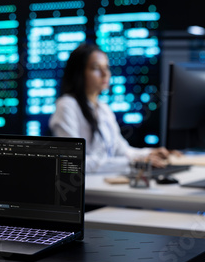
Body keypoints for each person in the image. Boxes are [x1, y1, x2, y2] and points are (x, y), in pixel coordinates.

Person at [49, 43, 174, 173]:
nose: (105, 74)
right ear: (79, 73)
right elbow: (73, 161)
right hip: (85, 187)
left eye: (106, 67)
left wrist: (149, 153)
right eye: (96, 68)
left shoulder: (103, 108)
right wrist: (132, 163)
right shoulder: (67, 105)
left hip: (104, 182)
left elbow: (121, 150)